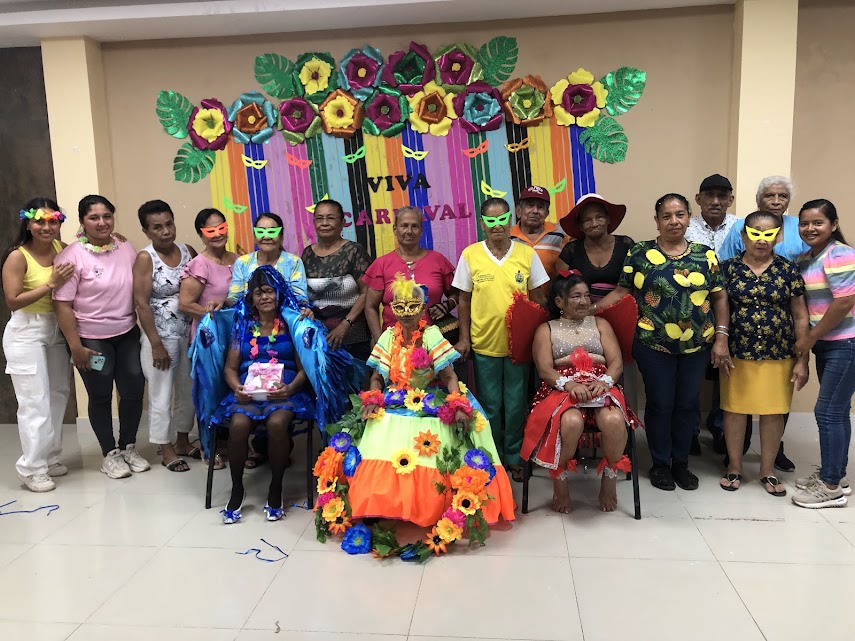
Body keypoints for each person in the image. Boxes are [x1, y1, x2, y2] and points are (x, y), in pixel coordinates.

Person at [312, 274, 515, 556]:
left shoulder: (431, 335)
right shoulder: (387, 336)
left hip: (431, 397)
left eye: (412, 307)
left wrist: (457, 404)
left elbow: (449, 376)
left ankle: (433, 506)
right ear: (392, 309)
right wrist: (372, 398)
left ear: (422, 308)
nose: (406, 313)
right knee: (378, 426)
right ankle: (378, 503)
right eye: (400, 307)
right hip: (394, 398)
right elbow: (377, 377)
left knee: (440, 434)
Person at [598, 193, 730, 491]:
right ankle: (660, 463)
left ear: (688, 218)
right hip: (652, 344)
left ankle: (680, 463)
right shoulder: (640, 253)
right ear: (656, 221)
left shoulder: (705, 255)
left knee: (687, 404)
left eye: (680, 214)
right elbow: (621, 292)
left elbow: (720, 297)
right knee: (660, 404)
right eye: (666, 216)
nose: (674, 221)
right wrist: (589, 311)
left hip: (697, 346)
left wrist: (721, 337)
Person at [521, 272, 637, 513]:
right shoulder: (546, 329)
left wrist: (605, 381)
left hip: (600, 384)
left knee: (614, 420)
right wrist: (570, 385)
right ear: (559, 302)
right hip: (561, 387)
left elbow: (616, 362)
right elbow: (544, 369)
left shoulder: (600, 324)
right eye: (576, 296)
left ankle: (609, 477)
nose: (584, 301)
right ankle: (560, 479)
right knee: (571, 422)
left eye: (586, 295)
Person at [53, 195, 150, 479]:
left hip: (126, 333)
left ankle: (128, 446)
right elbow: (62, 305)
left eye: (107, 216)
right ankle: (110, 454)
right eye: (94, 217)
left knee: (133, 388)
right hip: (91, 340)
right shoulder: (71, 257)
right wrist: (76, 347)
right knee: (100, 393)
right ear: (82, 221)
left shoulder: (124, 247)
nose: (102, 222)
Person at [453, 197, 550, 481]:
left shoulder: (526, 254)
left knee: (517, 404)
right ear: (482, 224)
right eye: (490, 220)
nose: (497, 225)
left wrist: (539, 337)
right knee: (491, 405)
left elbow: (539, 298)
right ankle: (493, 458)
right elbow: (463, 300)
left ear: (510, 220)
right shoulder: (470, 255)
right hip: (484, 344)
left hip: (519, 346)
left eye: (501, 219)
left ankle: (515, 456)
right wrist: (464, 338)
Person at [720, 176, 809, 473]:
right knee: (734, 410)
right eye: (755, 234)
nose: (761, 239)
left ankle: (767, 470)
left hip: (779, 352)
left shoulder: (788, 270)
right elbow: (720, 309)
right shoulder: (728, 269)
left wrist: (803, 358)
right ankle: (734, 467)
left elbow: (800, 315)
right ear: (743, 236)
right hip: (737, 352)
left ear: (777, 237)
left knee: (774, 412)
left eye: (768, 234)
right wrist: (720, 343)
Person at [213, 266, 315, 523]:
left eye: (269, 291)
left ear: (279, 294)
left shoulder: (292, 322)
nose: (265, 297)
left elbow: (305, 369)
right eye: (258, 293)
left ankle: (275, 488)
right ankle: (237, 489)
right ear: (252, 298)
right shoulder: (243, 325)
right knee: (238, 425)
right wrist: (236, 387)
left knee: (277, 423)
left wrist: (290, 388)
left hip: (285, 390)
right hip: (249, 391)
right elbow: (230, 368)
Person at [2, 199, 73, 492]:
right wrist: (50, 284)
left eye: (52, 221)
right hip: (26, 331)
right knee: (35, 401)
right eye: (39, 221)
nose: (46, 227)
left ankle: (49, 457)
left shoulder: (61, 248)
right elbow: (13, 300)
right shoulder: (17, 256)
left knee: (58, 394)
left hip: (56, 327)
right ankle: (31, 468)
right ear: (28, 223)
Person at [792, 199, 855, 509]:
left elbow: (844, 302)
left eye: (818, 222)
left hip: (847, 342)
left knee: (827, 411)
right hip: (827, 344)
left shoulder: (840, 254)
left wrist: (809, 338)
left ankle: (830, 487)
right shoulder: (806, 259)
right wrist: (812, 342)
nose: (810, 228)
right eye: (804, 223)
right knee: (838, 411)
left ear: (833, 224)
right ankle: (837, 476)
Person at [133, 200, 197, 472]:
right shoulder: (145, 258)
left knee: (188, 389)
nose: (166, 231)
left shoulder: (188, 251)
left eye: (169, 224)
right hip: (160, 338)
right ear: (146, 231)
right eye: (157, 227)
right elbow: (141, 303)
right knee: (161, 393)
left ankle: (183, 440)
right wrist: (156, 344)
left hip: (188, 335)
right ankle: (165, 446)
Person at [684, 174, 738, 456]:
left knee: (726, 371)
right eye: (709, 195)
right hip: (693, 310)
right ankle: (690, 430)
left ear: (731, 199)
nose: (715, 201)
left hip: (733, 309)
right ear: (699, 199)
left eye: (722, 196)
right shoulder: (685, 227)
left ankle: (719, 427)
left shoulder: (742, 227)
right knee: (692, 372)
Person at [179, 208, 236, 470]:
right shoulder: (199, 264)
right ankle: (208, 448)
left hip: (236, 338)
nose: (217, 234)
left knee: (234, 390)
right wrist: (216, 317)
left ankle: (234, 445)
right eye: (210, 230)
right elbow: (185, 304)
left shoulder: (238, 260)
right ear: (202, 235)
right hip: (210, 340)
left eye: (221, 228)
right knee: (210, 392)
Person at [363, 206, 457, 341]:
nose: (409, 231)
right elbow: (370, 307)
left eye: (415, 226)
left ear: (421, 230)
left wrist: (448, 305)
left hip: (434, 341)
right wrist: (380, 343)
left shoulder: (438, 260)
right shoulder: (381, 264)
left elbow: (457, 294)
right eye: (404, 226)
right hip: (395, 343)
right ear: (395, 229)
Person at [302, 199, 372, 361]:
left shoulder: (354, 251)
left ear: (342, 223)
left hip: (353, 337)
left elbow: (367, 292)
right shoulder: (307, 254)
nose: (324, 223)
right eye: (319, 218)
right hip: (318, 338)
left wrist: (345, 324)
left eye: (331, 218)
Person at [556, 193, 633, 303]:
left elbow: (632, 286)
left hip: (622, 309)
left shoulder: (626, 245)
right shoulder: (570, 250)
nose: (594, 224)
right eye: (587, 220)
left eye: (599, 217)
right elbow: (561, 289)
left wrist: (595, 308)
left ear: (608, 219)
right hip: (581, 311)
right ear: (580, 226)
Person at [227, 212, 309, 307]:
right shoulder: (242, 263)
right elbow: (235, 297)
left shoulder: (293, 262)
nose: (266, 237)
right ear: (254, 237)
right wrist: (223, 303)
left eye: (272, 232)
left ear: (281, 237)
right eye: (260, 232)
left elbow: (300, 298)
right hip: (250, 315)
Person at [509, 185, 568, 279]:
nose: (535, 211)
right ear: (518, 211)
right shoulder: (507, 237)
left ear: (546, 214)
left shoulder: (560, 234)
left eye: (540, 207)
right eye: (530, 205)